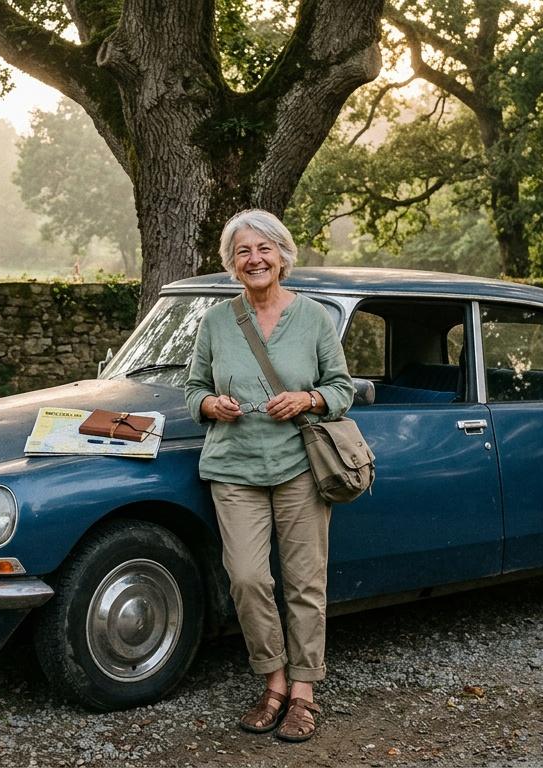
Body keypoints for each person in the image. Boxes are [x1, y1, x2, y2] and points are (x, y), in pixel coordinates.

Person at [184, 209, 354, 742]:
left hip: (300, 468)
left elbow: (343, 388)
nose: (254, 259)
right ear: (232, 265)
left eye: (264, 249)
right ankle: (273, 681)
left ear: (282, 256)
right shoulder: (215, 322)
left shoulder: (314, 319)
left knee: (306, 583)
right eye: (243, 252)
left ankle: (303, 693)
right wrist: (212, 404)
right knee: (248, 579)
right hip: (234, 469)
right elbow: (191, 389)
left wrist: (308, 398)